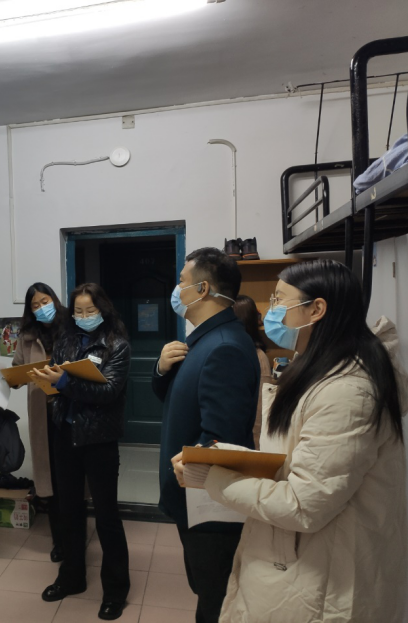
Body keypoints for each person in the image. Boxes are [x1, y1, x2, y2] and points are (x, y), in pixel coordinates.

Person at [173, 259, 408, 623]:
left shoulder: (348, 392)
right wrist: (218, 457)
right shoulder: (319, 367)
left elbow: (303, 504)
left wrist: (212, 477)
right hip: (304, 559)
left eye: (280, 299)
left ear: (316, 309)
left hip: (325, 579)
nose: (271, 309)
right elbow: (294, 461)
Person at [152, 247, 260, 623]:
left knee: (215, 599)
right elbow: (178, 399)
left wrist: (190, 464)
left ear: (202, 290)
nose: (176, 289)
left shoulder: (224, 347)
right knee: (206, 589)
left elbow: (220, 440)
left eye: (181, 282)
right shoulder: (202, 340)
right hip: (192, 497)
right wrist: (161, 369)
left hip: (208, 505)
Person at [32, 283, 131, 621]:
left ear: (103, 309)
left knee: (106, 516)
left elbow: (109, 392)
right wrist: (48, 381)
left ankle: (115, 590)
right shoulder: (66, 340)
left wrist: (65, 383)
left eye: (90, 310)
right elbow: (55, 380)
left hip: (99, 440)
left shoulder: (117, 345)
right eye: (78, 311)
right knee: (69, 511)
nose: (84, 316)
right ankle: (71, 577)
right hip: (65, 435)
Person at [12, 282, 76, 563]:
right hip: (44, 415)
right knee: (50, 481)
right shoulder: (27, 336)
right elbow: (17, 369)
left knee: (71, 478)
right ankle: (59, 541)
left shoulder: (72, 326)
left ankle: (74, 536)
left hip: (71, 411)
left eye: (45, 301)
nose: (41, 308)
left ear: (54, 300)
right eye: (35, 305)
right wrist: (13, 378)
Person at [232, 295, 273, 448]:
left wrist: (254, 447)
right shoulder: (233, 351)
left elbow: (260, 410)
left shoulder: (257, 356)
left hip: (250, 443)